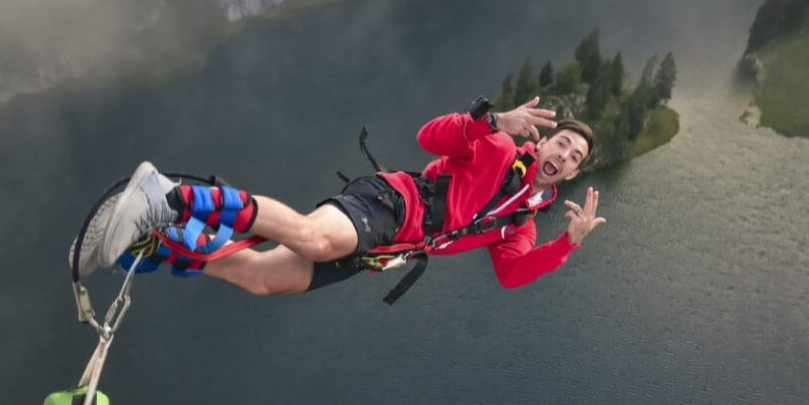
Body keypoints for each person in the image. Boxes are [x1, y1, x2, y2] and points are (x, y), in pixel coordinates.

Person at [74, 97, 606, 298]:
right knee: (314, 237)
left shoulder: (522, 224)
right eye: (563, 142)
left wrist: (566, 246)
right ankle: (170, 196)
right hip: (394, 204)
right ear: (544, 141)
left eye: (575, 157)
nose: (565, 154)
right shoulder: (497, 147)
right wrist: (488, 119)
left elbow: (510, 275)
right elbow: (430, 138)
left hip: (383, 250)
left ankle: (158, 243)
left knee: (262, 279)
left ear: (568, 176)